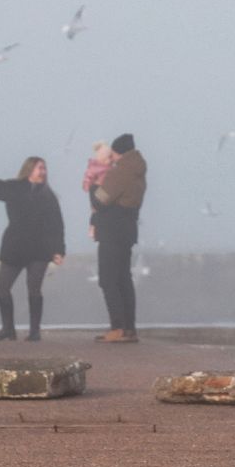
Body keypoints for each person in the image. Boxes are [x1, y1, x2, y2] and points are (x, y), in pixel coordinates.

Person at [0, 155, 66, 341]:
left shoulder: (49, 196)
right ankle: (8, 330)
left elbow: (57, 225)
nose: (43, 171)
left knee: (34, 289)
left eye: (44, 168)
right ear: (29, 169)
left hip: (40, 248)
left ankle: (34, 332)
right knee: (2, 286)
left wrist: (59, 250)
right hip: (16, 245)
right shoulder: (14, 187)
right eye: (39, 167)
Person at [89, 133, 146, 343]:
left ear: (119, 152)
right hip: (127, 230)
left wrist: (94, 186)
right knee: (123, 280)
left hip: (112, 231)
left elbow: (100, 201)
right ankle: (129, 328)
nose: (111, 158)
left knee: (108, 280)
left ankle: (117, 328)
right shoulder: (137, 170)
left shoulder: (121, 172)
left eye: (112, 154)